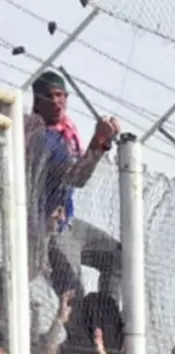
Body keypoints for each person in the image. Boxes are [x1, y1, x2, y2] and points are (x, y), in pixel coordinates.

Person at [25, 70, 122, 303]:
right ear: (38, 101)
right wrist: (99, 143)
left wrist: (101, 142)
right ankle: (80, 336)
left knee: (119, 256)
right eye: (51, 96)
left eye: (62, 95)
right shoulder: (41, 137)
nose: (58, 102)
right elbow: (75, 177)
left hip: (68, 220)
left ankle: (103, 317)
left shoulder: (66, 132)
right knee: (73, 296)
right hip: (50, 229)